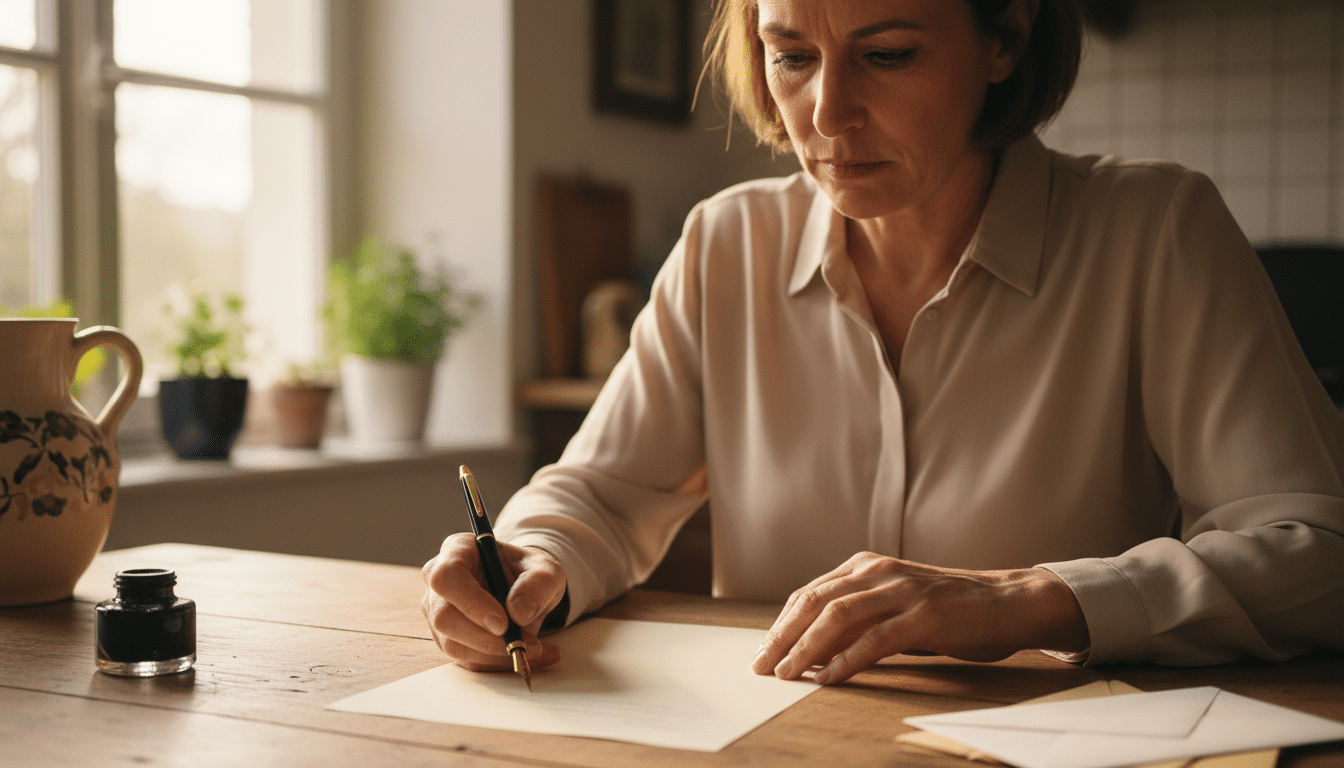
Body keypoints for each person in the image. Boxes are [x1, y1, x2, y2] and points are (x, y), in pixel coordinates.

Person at [422, 0, 1344, 685]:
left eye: (889, 54)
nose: (823, 115)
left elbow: (1314, 554)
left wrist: (1025, 599)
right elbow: (605, 492)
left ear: (1004, 37)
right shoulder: (725, 241)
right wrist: (531, 558)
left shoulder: (1157, 228)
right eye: (790, 55)